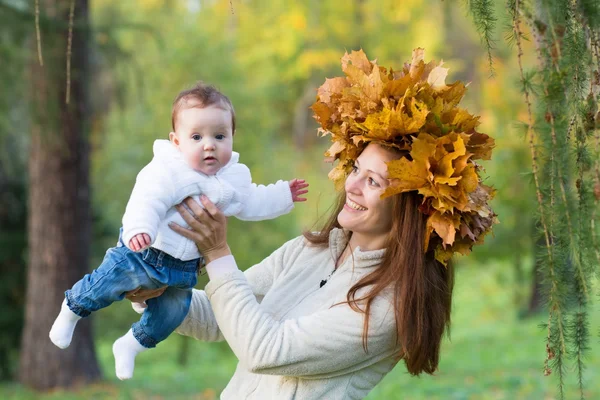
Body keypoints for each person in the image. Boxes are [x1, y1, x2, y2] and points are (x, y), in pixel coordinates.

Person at [133, 48, 496, 399]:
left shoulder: (386, 306)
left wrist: (217, 252)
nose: (351, 185)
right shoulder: (311, 249)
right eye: (356, 169)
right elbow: (221, 316)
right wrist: (152, 291)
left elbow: (265, 350)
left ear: (410, 208)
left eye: (373, 182)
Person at [48, 82, 309, 380]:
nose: (209, 145)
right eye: (196, 137)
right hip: (145, 252)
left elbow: (252, 201)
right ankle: (72, 309)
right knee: (105, 285)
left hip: (184, 269)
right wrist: (139, 229)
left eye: (219, 136)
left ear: (233, 137)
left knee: (171, 314)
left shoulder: (234, 178)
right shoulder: (169, 170)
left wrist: (283, 195)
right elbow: (148, 198)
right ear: (176, 141)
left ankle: (130, 345)